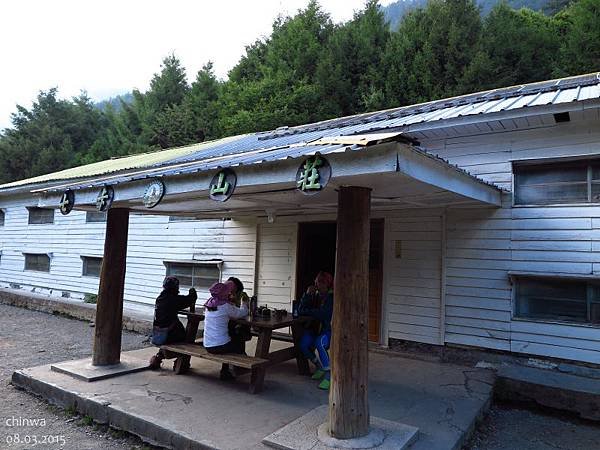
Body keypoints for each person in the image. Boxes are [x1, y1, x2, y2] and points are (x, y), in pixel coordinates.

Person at [203, 280, 249, 381]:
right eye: (227, 292)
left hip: (207, 345)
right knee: (239, 338)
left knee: (230, 336)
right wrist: (244, 303)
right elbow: (242, 313)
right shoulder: (225, 306)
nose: (229, 293)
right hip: (221, 346)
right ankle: (236, 367)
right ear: (224, 294)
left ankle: (228, 370)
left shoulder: (209, 304)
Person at [149, 276, 197, 370]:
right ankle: (181, 363)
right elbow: (190, 299)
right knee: (187, 339)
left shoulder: (160, 298)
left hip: (158, 334)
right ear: (176, 287)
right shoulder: (173, 299)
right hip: (169, 336)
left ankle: (158, 357)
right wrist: (192, 291)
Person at [298, 271, 334, 390]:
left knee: (320, 343)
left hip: (328, 330)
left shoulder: (331, 297)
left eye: (318, 282)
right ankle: (319, 366)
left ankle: (329, 376)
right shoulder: (315, 295)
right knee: (303, 345)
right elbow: (300, 309)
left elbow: (324, 314)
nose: (315, 284)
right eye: (315, 282)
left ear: (325, 284)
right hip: (315, 329)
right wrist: (307, 295)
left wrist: (309, 312)